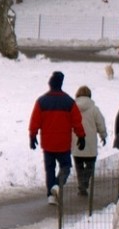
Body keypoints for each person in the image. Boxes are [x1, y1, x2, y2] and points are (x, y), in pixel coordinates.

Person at [28, 71, 80, 203]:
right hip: (63, 143)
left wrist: (32, 136)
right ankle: (57, 185)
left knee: (49, 169)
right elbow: (77, 121)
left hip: (48, 143)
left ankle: (50, 194)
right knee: (66, 167)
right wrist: (81, 136)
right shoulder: (69, 102)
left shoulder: (41, 101)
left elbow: (35, 120)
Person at [71, 85, 110, 200]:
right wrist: (103, 135)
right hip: (91, 143)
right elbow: (100, 123)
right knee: (89, 165)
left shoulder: (73, 108)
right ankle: (85, 182)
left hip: (76, 142)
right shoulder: (94, 109)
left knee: (78, 166)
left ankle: (81, 186)